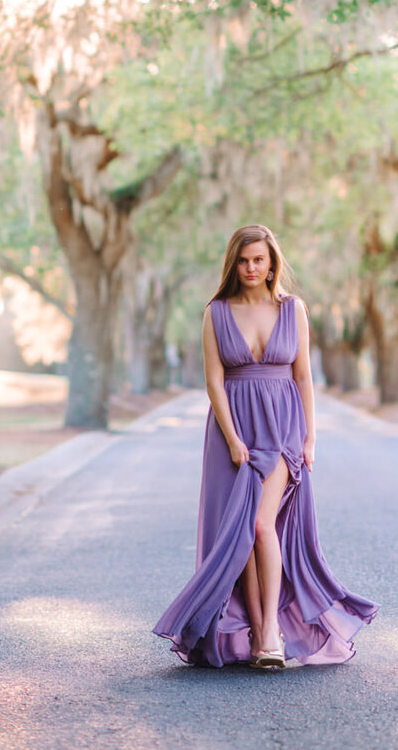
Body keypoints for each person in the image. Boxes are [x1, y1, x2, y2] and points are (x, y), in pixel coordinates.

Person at [153, 224, 378, 668]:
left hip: (282, 430)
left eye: (259, 259)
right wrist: (234, 440)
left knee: (260, 526)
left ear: (273, 262)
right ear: (233, 264)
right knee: (243, 535)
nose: (252, 267)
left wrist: (311, 436)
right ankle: (260, 636)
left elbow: (303, 377)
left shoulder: (293, 310)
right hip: (232, 433)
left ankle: (272, 630)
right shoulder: (216, 313)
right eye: (243, 260)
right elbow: (214, 382)